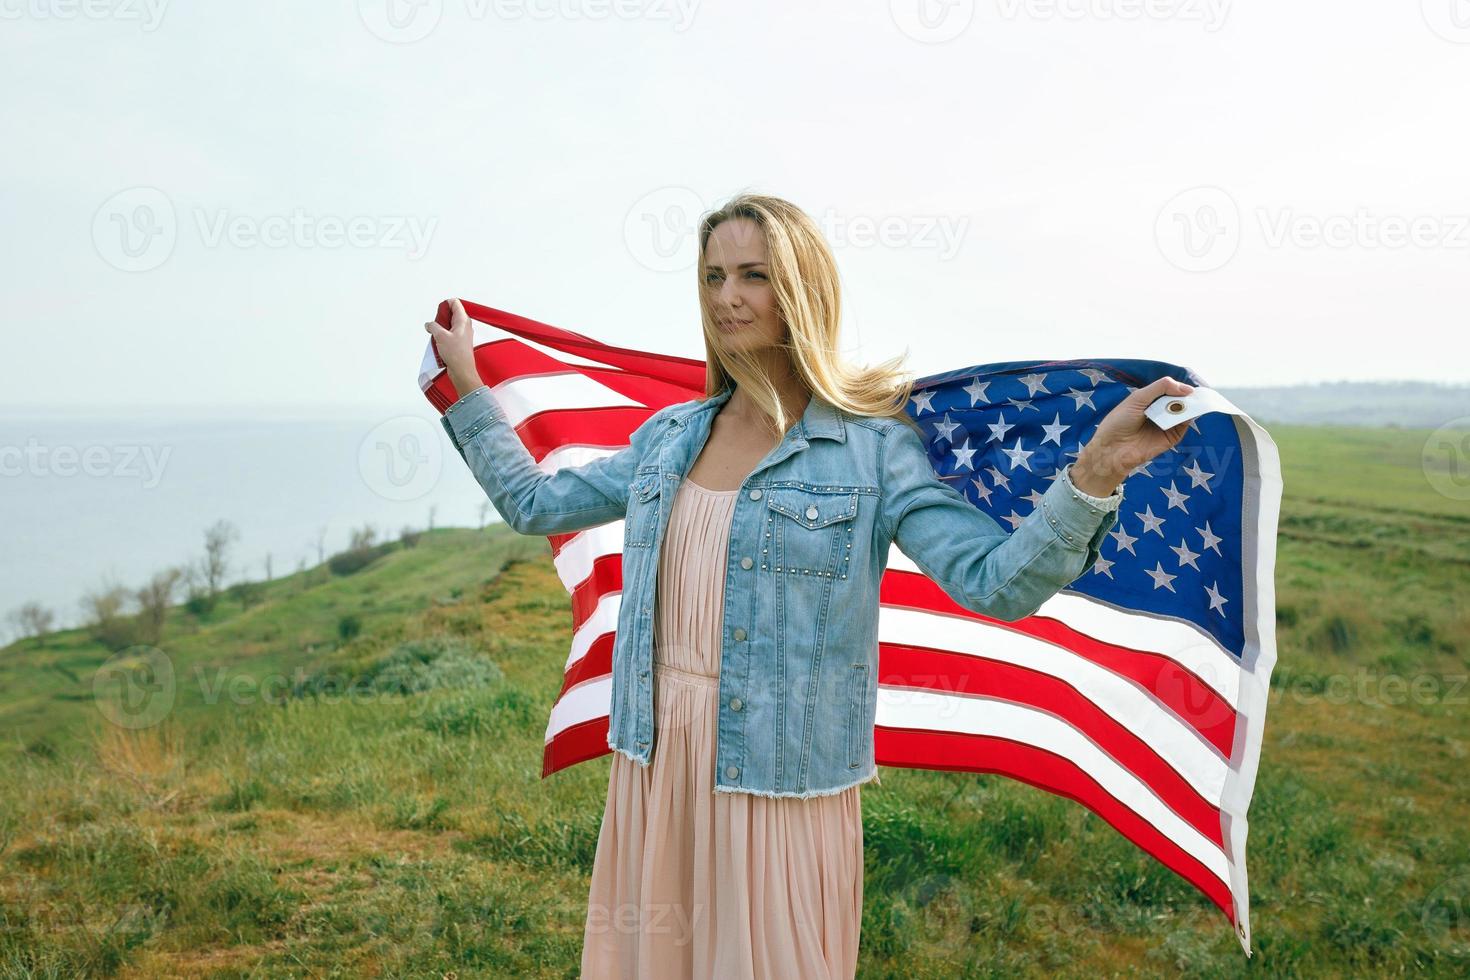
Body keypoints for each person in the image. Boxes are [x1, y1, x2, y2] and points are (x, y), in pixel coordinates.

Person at [425, 192, 1194, 979]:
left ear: (800, 290)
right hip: (655, 769)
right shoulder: (669, 438)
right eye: (714, 274)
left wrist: (1096, 473)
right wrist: (467, 385)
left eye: (753, 275)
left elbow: (991, 583)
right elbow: (533, 504)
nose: (728, 297)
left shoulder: (872, 452)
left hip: (779, 781)